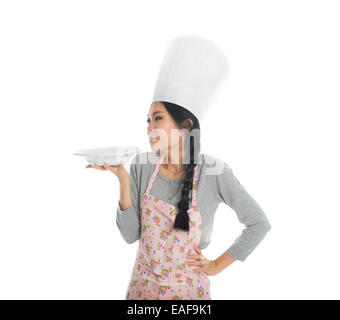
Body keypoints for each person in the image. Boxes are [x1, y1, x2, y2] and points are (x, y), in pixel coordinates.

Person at [86, 35, 271, 299]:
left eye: (157, 119)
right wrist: (122, 179)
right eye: (148, 120)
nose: (149, 128)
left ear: (185, 127)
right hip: (143, 291)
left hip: (188, 296)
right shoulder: (141, 167)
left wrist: (216, 266)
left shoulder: (213, 171)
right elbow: (129, 236)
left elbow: (259, 223)